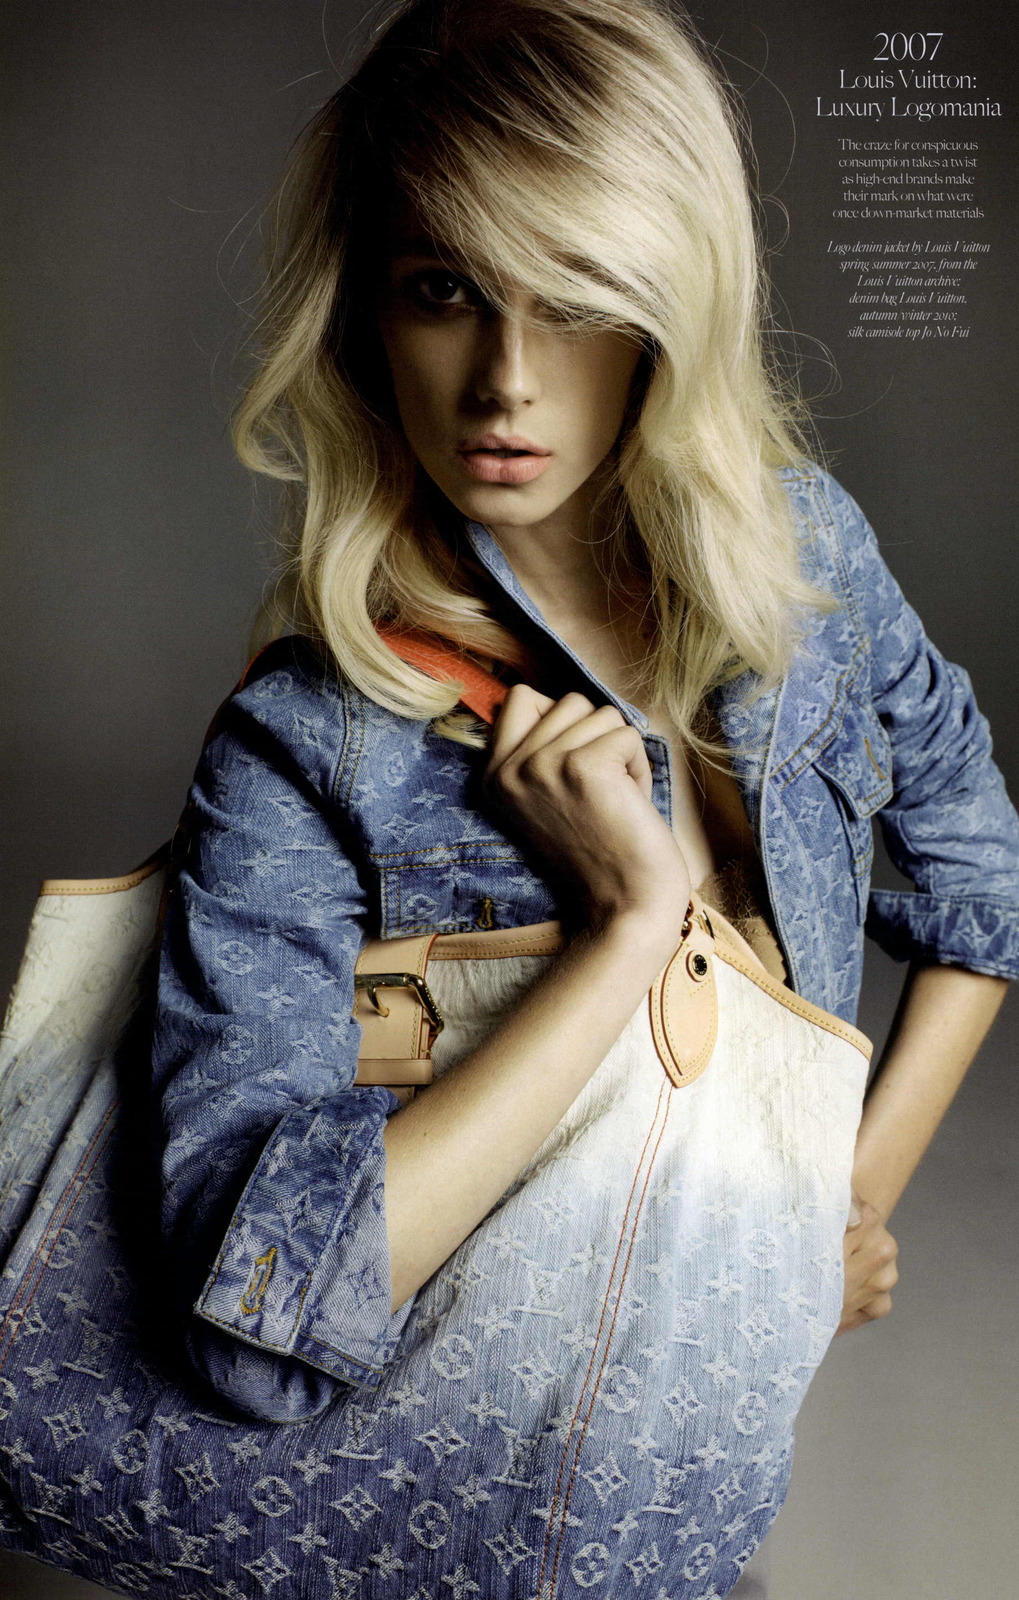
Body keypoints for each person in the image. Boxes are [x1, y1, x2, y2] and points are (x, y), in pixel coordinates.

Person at [0, 2, 1015, 1597]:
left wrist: (835, 1211)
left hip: (685, 1521)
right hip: (448, 1540)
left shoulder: (805, 566)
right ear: (362, 310)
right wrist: (630, 933)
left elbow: (982, 885)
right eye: (442, 290)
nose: (505, 381)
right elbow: (257, 1330)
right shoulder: (311, 743)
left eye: (576, 296)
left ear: (668, 305)